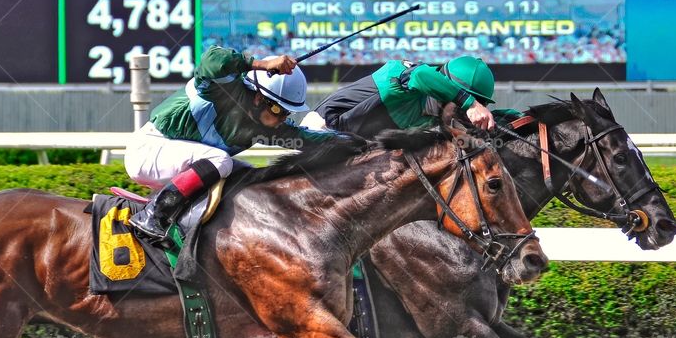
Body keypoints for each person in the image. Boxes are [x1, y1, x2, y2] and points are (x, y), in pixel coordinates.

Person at [125, 45, 332, 242]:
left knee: (251, 175)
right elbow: (212, 59)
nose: (282, 119)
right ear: (259, 98)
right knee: (221, 160)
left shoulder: (266, 126)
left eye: (288, 113)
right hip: (148, 152)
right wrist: (261, 64)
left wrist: (359, 145)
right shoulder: (217, 90)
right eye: (279, 110)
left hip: (179, 165)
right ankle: (153, 217)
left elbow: (308, 139)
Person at [302, 56, 497, 135]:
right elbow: (421, 74)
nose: (464, 113)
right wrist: (470, 103)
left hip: (347, 149)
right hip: (320, 132)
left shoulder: (438, 108)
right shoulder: (410, 78)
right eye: (462, 106)